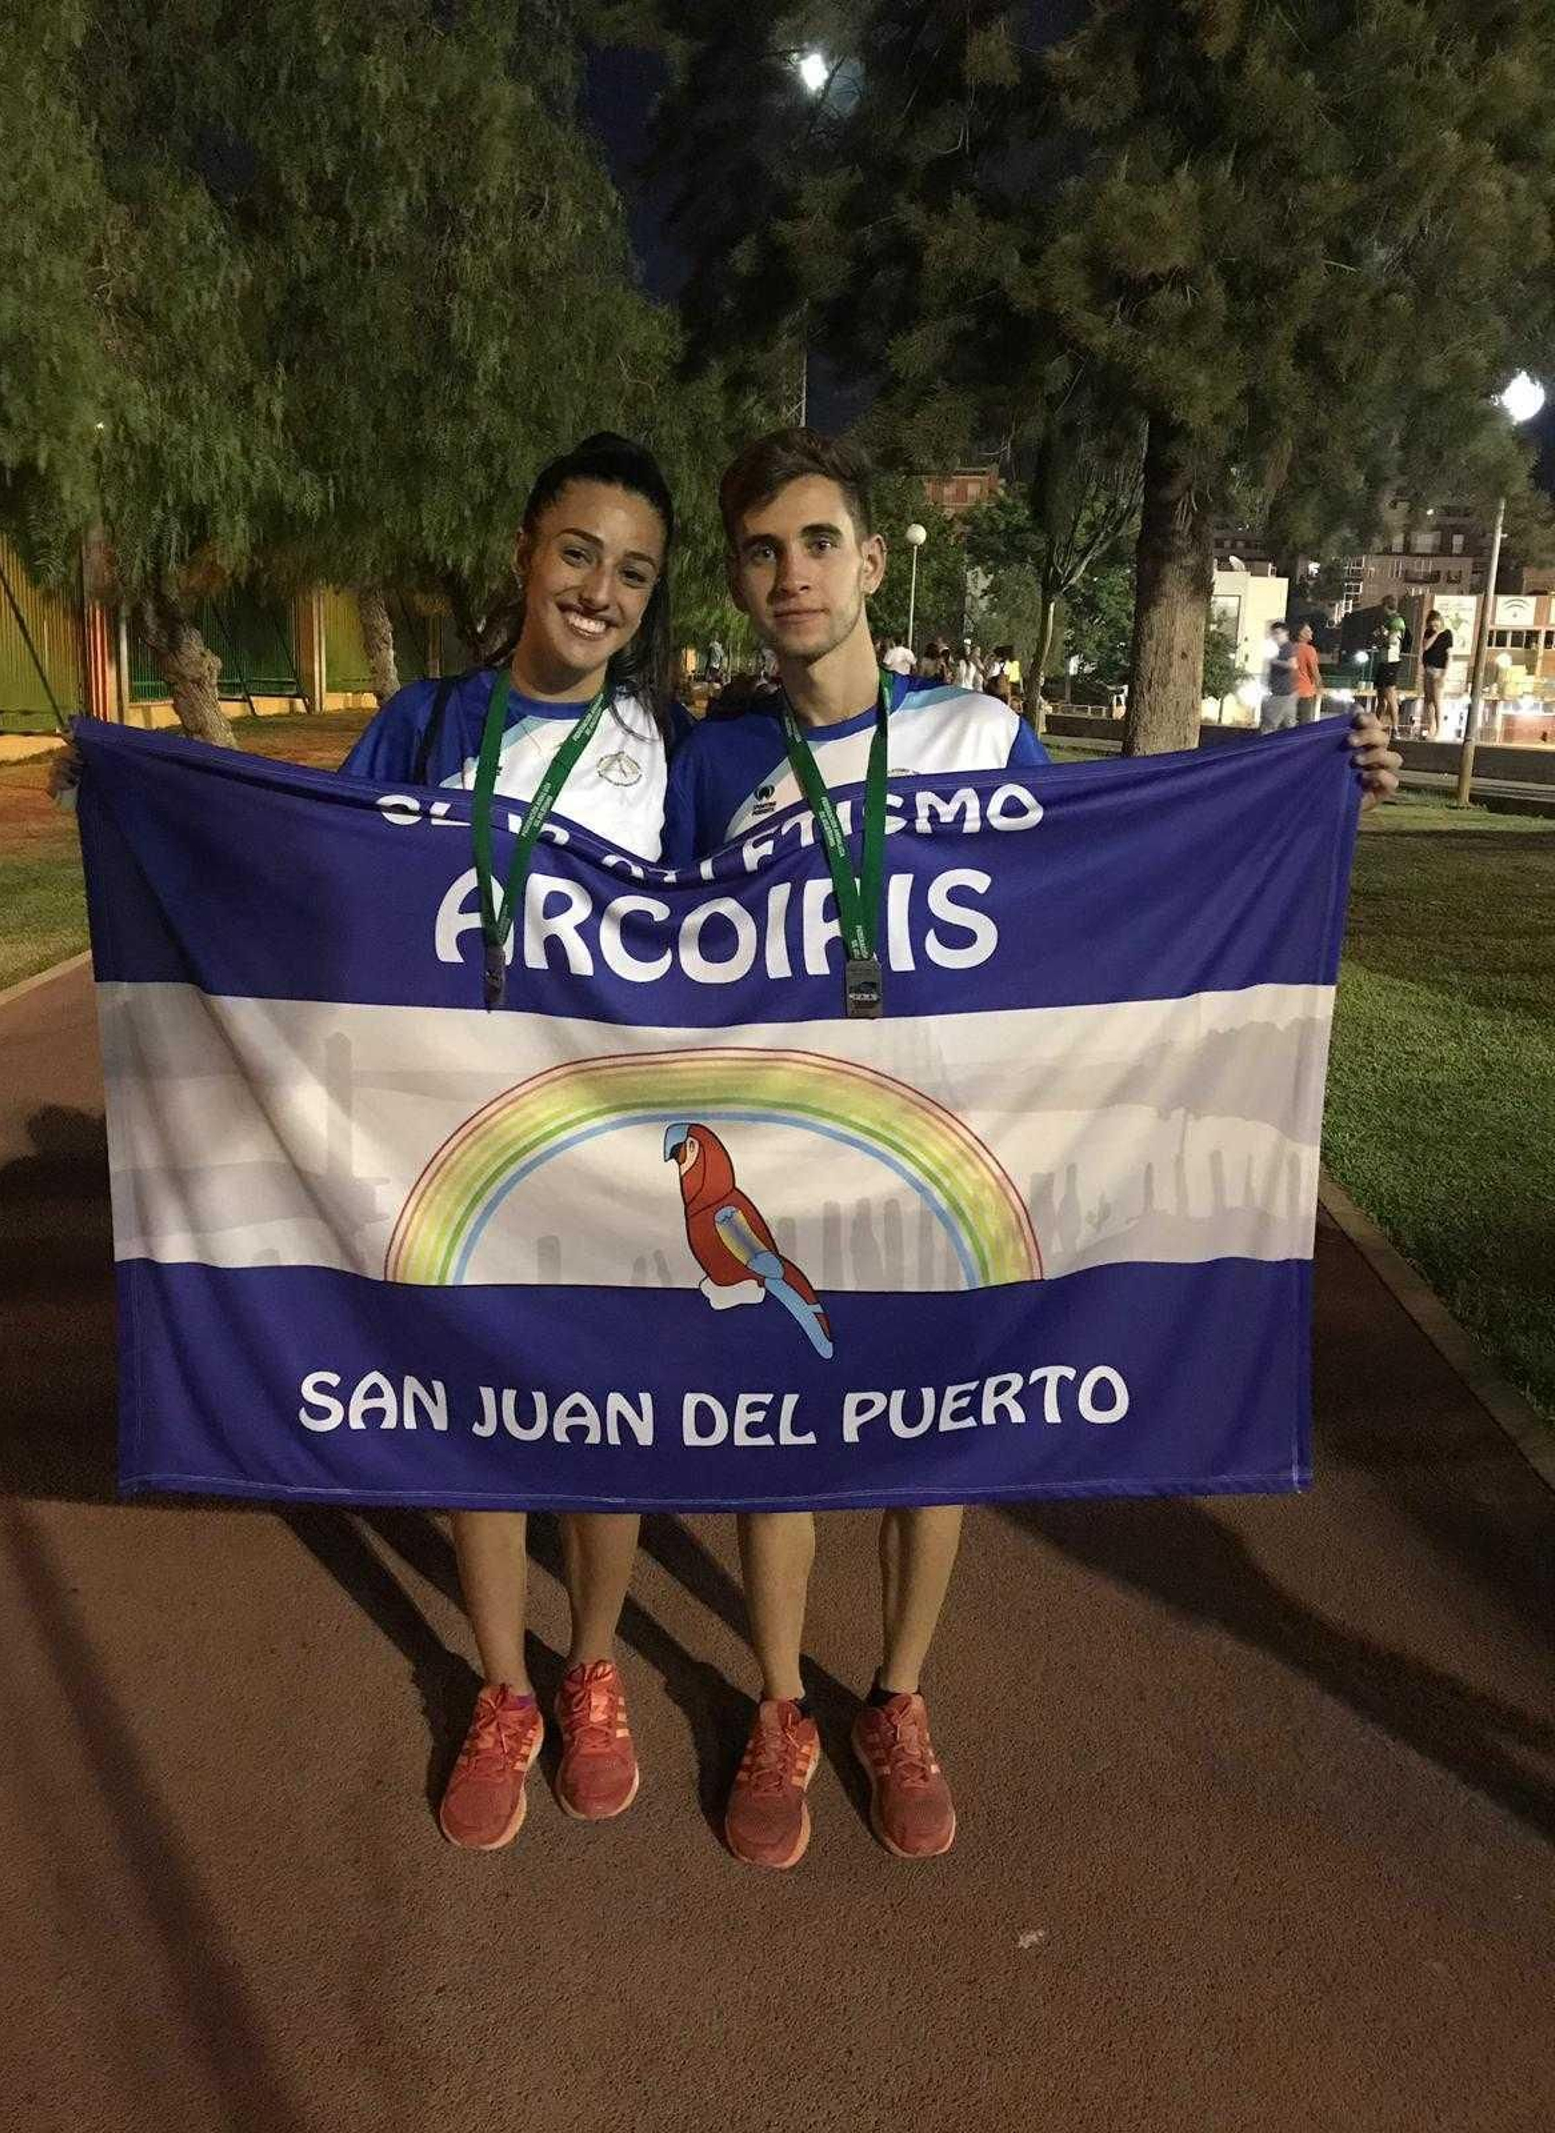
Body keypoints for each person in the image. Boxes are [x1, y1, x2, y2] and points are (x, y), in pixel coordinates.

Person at [660, 425, 1401, 1873]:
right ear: (739, 582)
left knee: (932, 1433)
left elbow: (1106, 881)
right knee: (778, 1441)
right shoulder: (716, 763)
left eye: (819, 542)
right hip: (783, 1146)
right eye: (763, 550)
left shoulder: (976, 737)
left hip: (949, 1146)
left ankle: (893, 1695)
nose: (794, 572)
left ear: (870, 561)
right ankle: (773, 1704)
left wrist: (1317, 785)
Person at [343, 431, 687, 1851]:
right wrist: (129, 794)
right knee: (479, 1427)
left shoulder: (674, 748)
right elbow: (300, 858)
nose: (599, 589)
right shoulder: (425, 725)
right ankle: (502, 1683)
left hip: (610, 1153)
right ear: (524, 552)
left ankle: (591, 1662)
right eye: (577, 552)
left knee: (604, 1430)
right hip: (455, 1147)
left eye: (633, 571)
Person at [1371, 595, 1409, 732]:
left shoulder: (1397, 621)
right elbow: (1376, 637)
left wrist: (1383, 634)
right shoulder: (1388, 621)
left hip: (1391, 662)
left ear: (1386, 606)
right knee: (1380, 697)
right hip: (1383, 661)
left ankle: (1395, 727)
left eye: (1383, 607)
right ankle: (1375, 725)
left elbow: (1392, 641)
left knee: (1390, 695)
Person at [1259, 622, 1298, 733]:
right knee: (1290, 728)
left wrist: (1274, 661)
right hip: (1287, 692)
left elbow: (1293, 665)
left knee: (1268, 727)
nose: (1275, 636)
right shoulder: (1280, 648)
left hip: (1279, 693)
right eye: (1273, 634)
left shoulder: (1286, 647)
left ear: (1286, 633)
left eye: (1277, 633)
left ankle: (1264, 749)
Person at [1419, 610, 1452, 738]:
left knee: (1437, 700)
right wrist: (1435, 633)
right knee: (1428, 700)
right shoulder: (1429, 633)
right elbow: (1426, 646)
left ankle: (1439, 729)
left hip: (1439, 671)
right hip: (1428, 668)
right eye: (1431, 626)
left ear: (1440, 621)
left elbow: (1449, 656)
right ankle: (1431, 727)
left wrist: (1444, 675)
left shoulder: (1447, 634)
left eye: (1436, 625)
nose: (1434, 628)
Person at [1294, 623, 1323, 724]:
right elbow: (1314, 671)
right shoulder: (1309, 650)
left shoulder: (1289, 648)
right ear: (1301, 633)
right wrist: (1320, 687)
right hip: (1305, 692)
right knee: (1304, 724)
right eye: (1308, 631)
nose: (1312, 632)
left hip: (1288, 692)